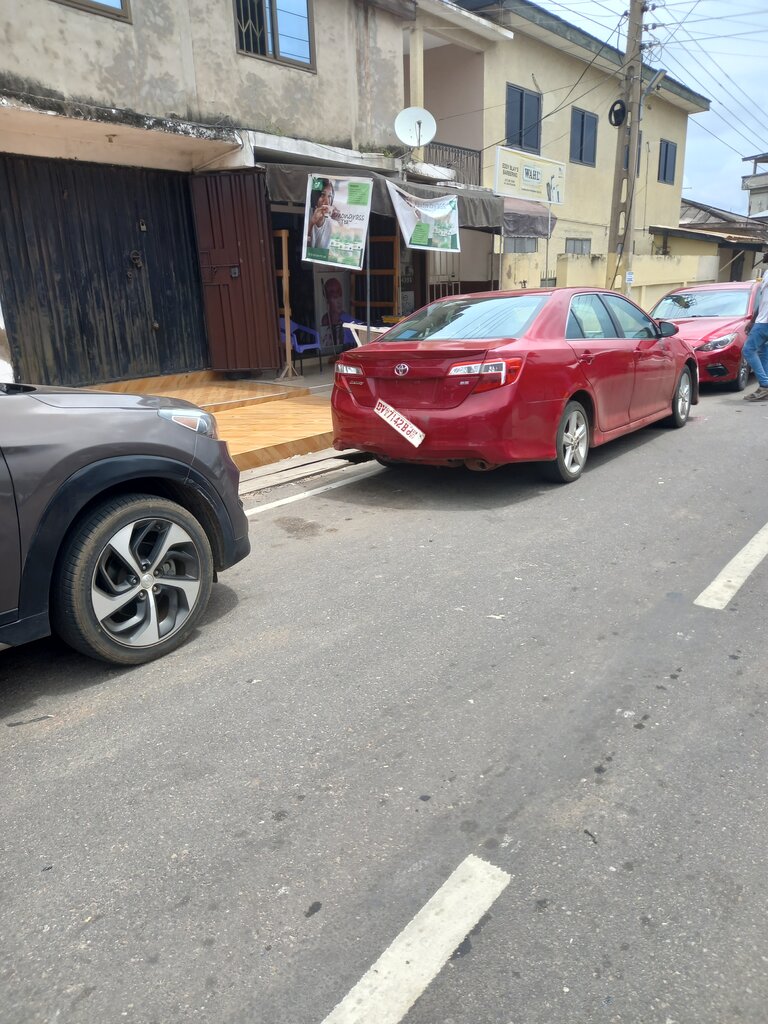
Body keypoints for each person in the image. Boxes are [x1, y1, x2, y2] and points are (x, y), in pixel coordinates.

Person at [743, 252, 768, 402]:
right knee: (763, 351)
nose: (764, 254)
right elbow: (763, 301)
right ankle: (764, 386)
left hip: (765, 323)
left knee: (748, 350)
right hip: (761, 320)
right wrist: (753, 319)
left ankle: (765, 384)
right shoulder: (766, 274)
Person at [306, 179, 340, 251]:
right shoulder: (307, 216)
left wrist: (339, 222)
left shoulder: (332, 222)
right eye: (322, 195)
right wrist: (312, 223)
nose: (326, 201)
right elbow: (304, 248)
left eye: (329, 196)